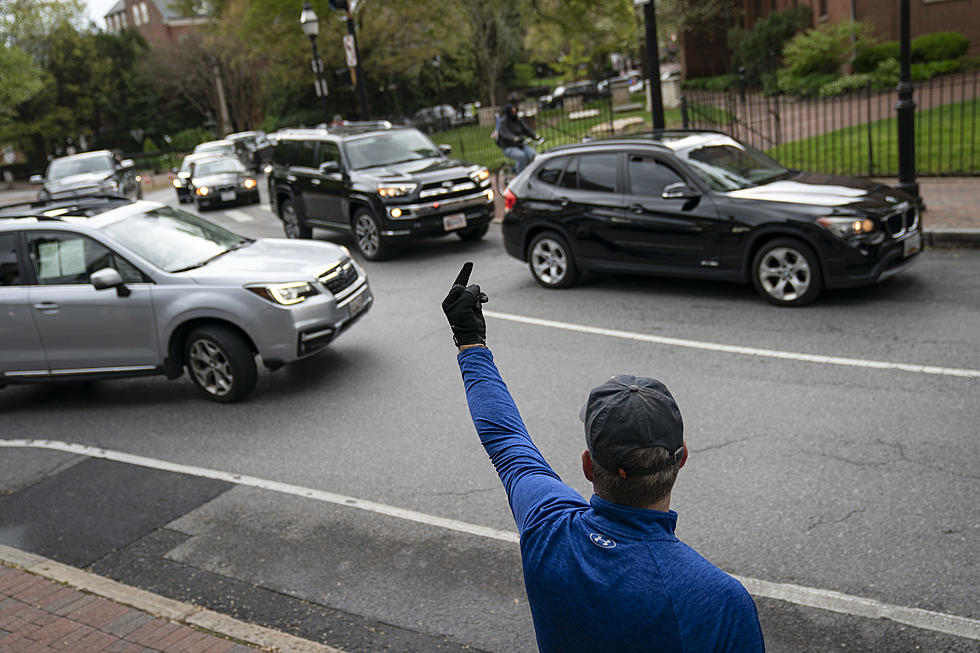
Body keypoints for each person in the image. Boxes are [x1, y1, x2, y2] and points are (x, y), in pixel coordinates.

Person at [442, 262, 765, 653]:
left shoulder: (548, 528)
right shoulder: (719, 599)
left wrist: (470, 341)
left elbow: (506, 439)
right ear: (681, 460)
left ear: (588, 466)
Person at [496, 103, 539, 173]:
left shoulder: (518, 121)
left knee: (533, 155)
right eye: (512, 112)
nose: (514, 113)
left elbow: (526, 130)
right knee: (521, 156)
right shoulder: (503, 122)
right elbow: (505, 134)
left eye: (515, 111)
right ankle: (520, 176)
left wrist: (534, 136)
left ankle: (531, 172)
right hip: (509, 147)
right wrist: (513, 138)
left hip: (520, 145)